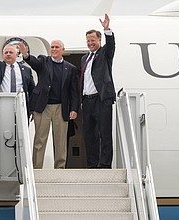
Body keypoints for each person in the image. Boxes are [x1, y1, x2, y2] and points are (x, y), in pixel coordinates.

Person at [18, 40, 79, 169]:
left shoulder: (70, 68)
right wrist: (26, 55)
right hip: (43, 107)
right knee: (40, 139)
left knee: (60, 141)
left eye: (57, 47)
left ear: (63, 50)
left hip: (61, 107)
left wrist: (74, 109)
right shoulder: (44, 61)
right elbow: (34, 63)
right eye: (52, 47)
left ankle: (60, 169)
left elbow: (74, 91)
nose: (54, 49)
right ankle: (36, 169)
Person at [81, 14, 116, 168]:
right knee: (89, 135)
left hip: (101, 99)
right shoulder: (84, 59)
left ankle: (104, 164)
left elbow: (111, 46)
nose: (90, 43)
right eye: (88, 41)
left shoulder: (104, 54)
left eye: (93, 40)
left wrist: (107, 29)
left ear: (99, 40)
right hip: (87, 101)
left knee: (104, 133)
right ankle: (92, 164)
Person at [0, 44, 35, 119]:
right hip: (2, 104)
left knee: (20, 129)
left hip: (20, 105)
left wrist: (32, 108)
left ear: (17, 54)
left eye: (11, 52)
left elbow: (32, 90)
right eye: (6, 52)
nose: (8, 54)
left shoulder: (26, 70)